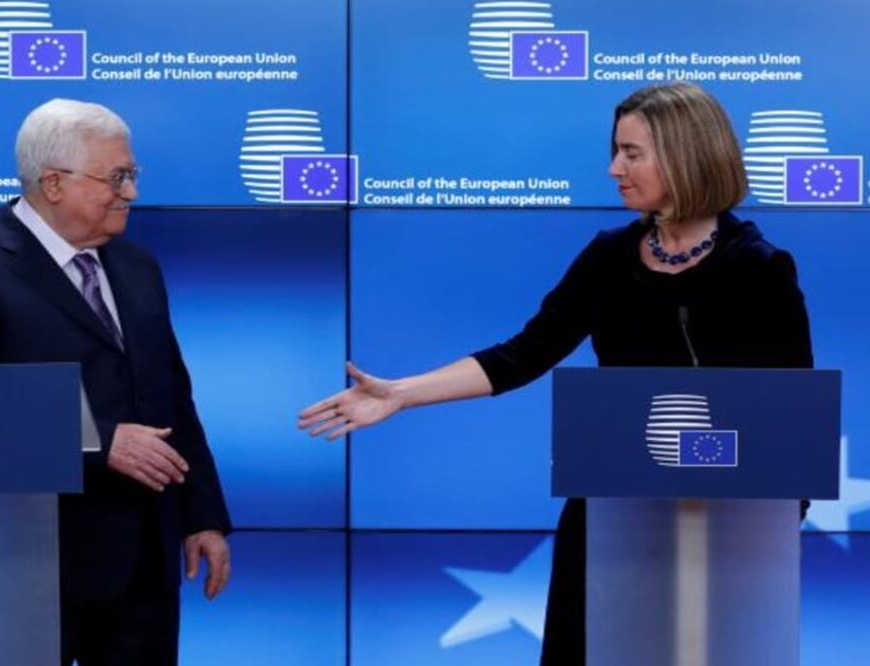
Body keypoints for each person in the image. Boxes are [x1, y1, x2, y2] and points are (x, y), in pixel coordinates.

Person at [299, 82, 812, 665]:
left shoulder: (758, 269)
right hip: (611, 516)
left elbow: (791, 420)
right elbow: (523, 354)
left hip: (724, 527)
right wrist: (398, 394)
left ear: (685, 155)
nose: (614, 168)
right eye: (615, 151)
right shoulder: (609, 256)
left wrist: (770, 533)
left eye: (632, 153)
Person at [0, 98, 232, 666]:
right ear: (54, 183)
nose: (131, 192)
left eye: (131, 175)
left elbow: (173, 396)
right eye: (116, 177)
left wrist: (202, 515)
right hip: (33, 560)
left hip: (144, 562)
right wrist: (100, 442)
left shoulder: (138, 267)